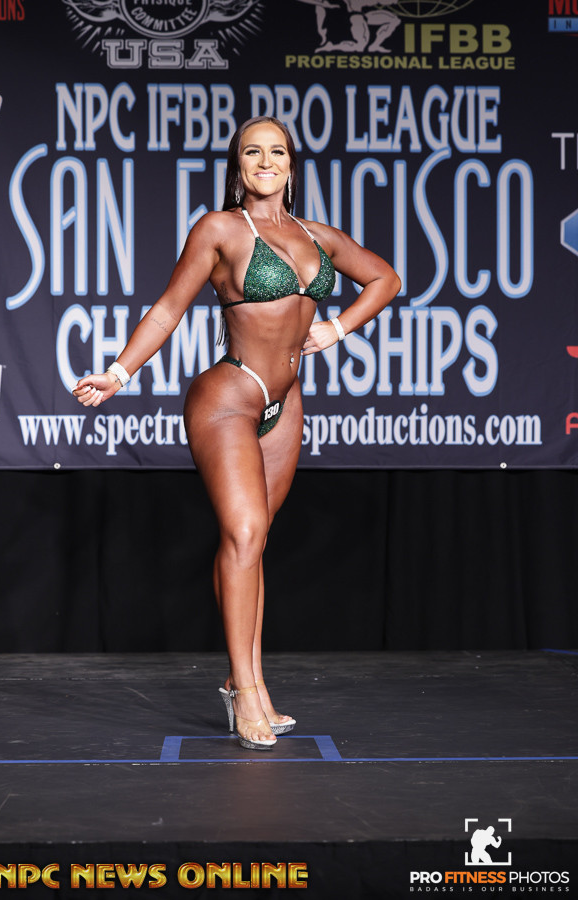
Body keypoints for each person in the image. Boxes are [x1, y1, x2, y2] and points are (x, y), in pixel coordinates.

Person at [72, 116, 400, 751]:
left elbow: (386, 279)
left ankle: (244, 681)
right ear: (238, 166)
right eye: (253, 152)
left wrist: (338, 329)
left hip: (286, 401)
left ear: (291, 165)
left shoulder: (318, 236)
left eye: (277, 152)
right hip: (229, 397)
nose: (266, 162)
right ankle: (246, 694)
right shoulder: (219, 229)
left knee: (252, 542)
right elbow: (168, 307)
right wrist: (118, 372)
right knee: (245, 532)